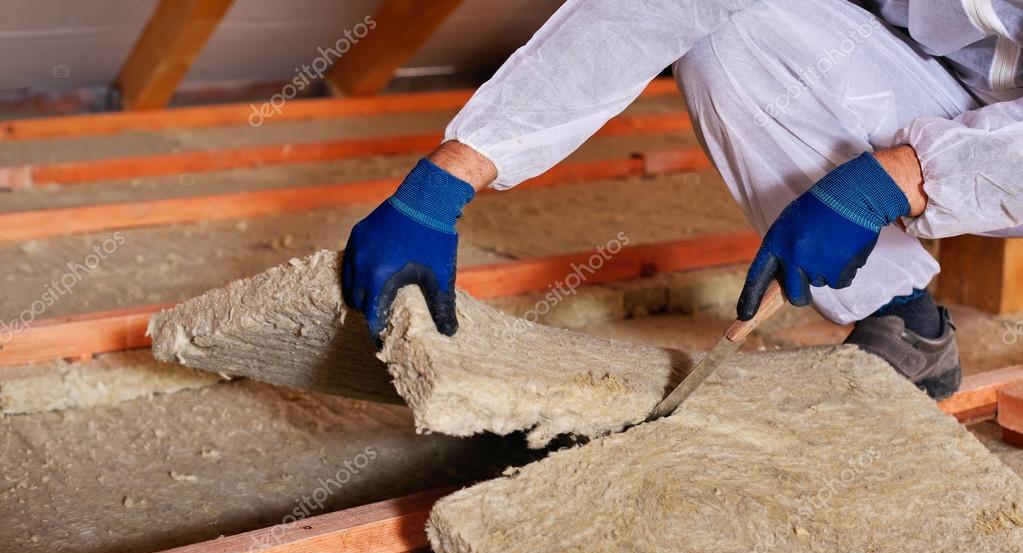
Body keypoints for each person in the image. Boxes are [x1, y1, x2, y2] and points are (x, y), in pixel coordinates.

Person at [342, 0, 1023, 400]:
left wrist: (898, 176)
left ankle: (890, 254)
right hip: (915, 75)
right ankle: (901, 321)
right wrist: (446, 178)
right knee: (732, 35)